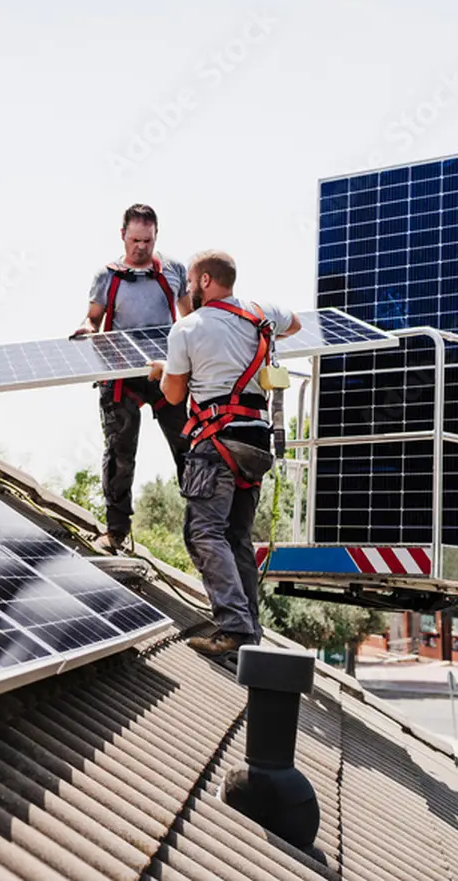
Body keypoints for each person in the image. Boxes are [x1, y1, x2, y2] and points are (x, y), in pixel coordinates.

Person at [148, 250, 301, 657]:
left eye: (192, 283)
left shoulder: (188, 328)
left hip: (215, 444)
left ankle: (233, 626)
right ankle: (249, 634)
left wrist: (164, 372)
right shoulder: (259, 313)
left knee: (202, 533)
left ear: (202, 282)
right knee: (236, 538)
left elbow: (175, 396)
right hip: (255, 442)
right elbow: (297, 323)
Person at [72, 203, 192, 553]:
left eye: (148, 241)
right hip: (121, 374)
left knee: (188, 446)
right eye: (135, 240)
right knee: (120, 453)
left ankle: (203, 526)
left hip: (165, 371)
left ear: (157, 237)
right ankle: (116, 532)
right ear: (122, 234)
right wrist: (86, 327)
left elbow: (191, 318)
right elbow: (93, 319)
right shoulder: (106, 276)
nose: (141, 247)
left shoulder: (173, 271)